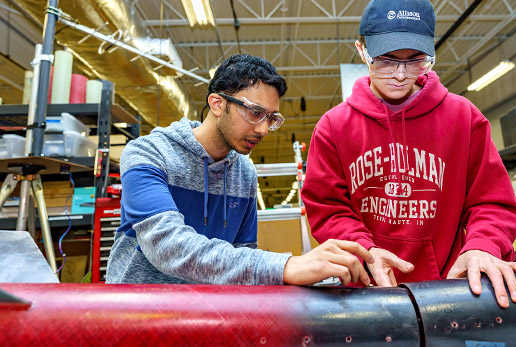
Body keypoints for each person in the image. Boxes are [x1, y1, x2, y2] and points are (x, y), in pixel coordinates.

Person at [302, 0, 516, 308]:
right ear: (361, 51)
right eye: (386, 60)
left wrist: (483, 245)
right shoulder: (334, 127)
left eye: (415, 60)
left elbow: (492, 201)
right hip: (369, 292)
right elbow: (329, 208)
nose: (400, 74)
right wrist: (363, 250)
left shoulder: (463, 117)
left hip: (450, 289)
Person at [106, 54, 373, 286]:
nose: (263, 129)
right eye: (255, 113)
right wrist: (285, 267)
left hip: (206, 319)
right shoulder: (148, 154)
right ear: (217, 104)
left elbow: (241, 259)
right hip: (136, 316)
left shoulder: (244, 173)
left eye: (271, 118)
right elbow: (166, 246)